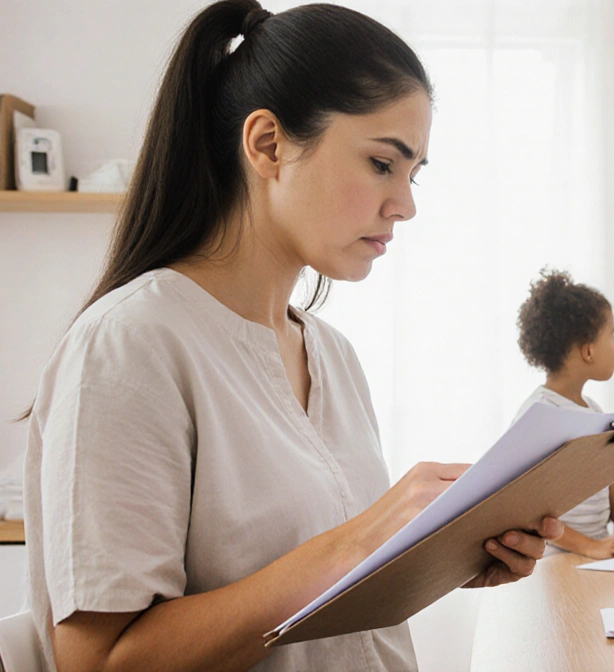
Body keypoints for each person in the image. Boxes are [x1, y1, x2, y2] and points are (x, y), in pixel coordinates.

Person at [21, 2, 560, 670]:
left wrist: (438, 558)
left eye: (414, 173)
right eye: (382, 163)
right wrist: (362, 540)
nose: (406, 204)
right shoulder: (130, 345)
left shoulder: (332, 354)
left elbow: (319, 597)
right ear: (268, 144)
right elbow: (99, 662)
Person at [512, 269, 614, 560]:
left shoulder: (592, 409)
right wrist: (590, 547)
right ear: (588, 351)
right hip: (555, 559)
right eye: (612, 336)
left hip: (597, 554)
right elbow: (527, 508)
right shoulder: (540, 414)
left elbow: (604, 474)